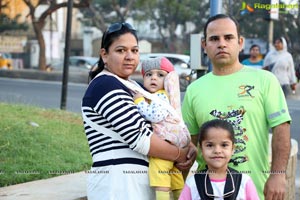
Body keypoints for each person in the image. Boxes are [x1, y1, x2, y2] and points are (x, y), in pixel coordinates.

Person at [81, 22, 197, 200]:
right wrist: (181, 155)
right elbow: (140, 139)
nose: (129, 57)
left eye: (134, 51)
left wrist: (188, 146)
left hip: (139, 185)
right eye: (121, 50)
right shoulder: (105, 84)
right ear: (104, 55)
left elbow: (160, 124)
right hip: (118, 186)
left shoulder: (134, 86)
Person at [182, 14, 291, 200]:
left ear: (240, 42)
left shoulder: (265, 81)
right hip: (207, 193)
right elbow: (190, 146)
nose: (222, 44)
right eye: (214, 39)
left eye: (228, 37)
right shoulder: (193, 90)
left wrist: (278, 175)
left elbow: (281, 128)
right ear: (204, 45)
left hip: (254, 191)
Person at [133, 57, 191, 199]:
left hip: (165, 144)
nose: (153, 78)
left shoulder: (160, 96)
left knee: (159, 171)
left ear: (167, 80)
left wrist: (139, 101)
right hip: (173, 142)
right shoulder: (159, 95)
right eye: (149, 74)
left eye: (160, 75)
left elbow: (155, 115)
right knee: (175, 177)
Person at [179, 119, 259, 200]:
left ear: (232, 149)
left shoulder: (243, 182)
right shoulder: (193, 184)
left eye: (224, 145)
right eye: (210, 145)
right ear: (201, 149)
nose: (217, 151)